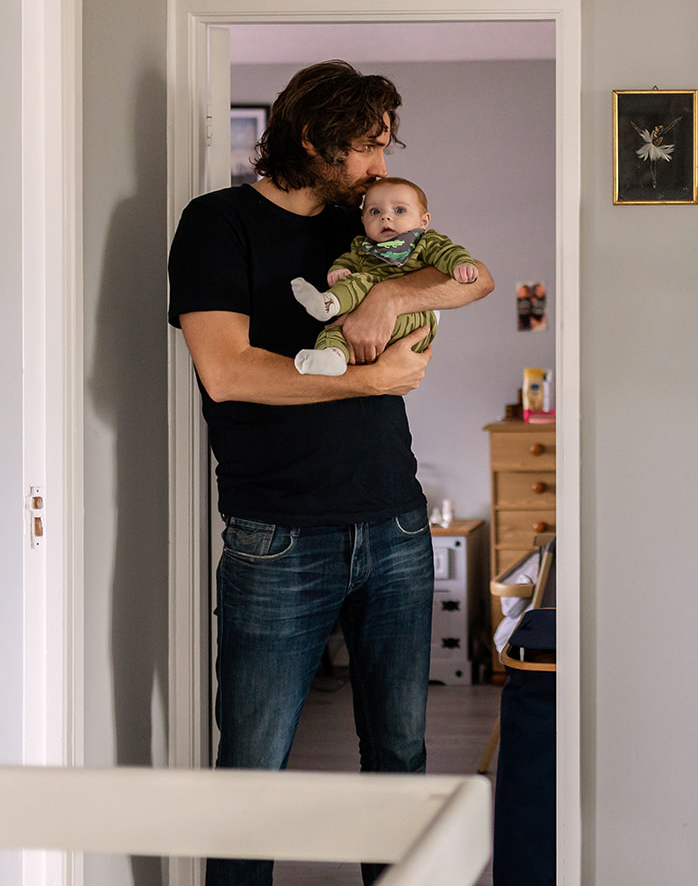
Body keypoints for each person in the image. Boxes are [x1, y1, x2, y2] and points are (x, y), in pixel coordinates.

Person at [167, 60, 494, 886]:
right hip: (276, 534)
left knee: (399, 755)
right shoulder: (217, 223)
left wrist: (387, 298)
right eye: (367, 149)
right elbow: (227, 371)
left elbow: (475, 277)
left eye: (387, 148)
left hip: (394, 522)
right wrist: (366, 379)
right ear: (313, 141)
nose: (381, 168)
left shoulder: (367, 225)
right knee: (251, 766)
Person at [290, 176, 479, 375]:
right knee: (335, 330)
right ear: (363, 220)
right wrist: (339, 271)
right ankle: (333, 353)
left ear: (423, 221)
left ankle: (329, 304)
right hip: (363, 324)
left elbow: (447, 252)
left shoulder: (425, 242)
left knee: (362, 280)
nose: (385, 217)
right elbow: (347, 261)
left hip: (414, 319)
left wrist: (461, 263)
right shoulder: (362, 247)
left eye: (399, 210)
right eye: (375, 211)